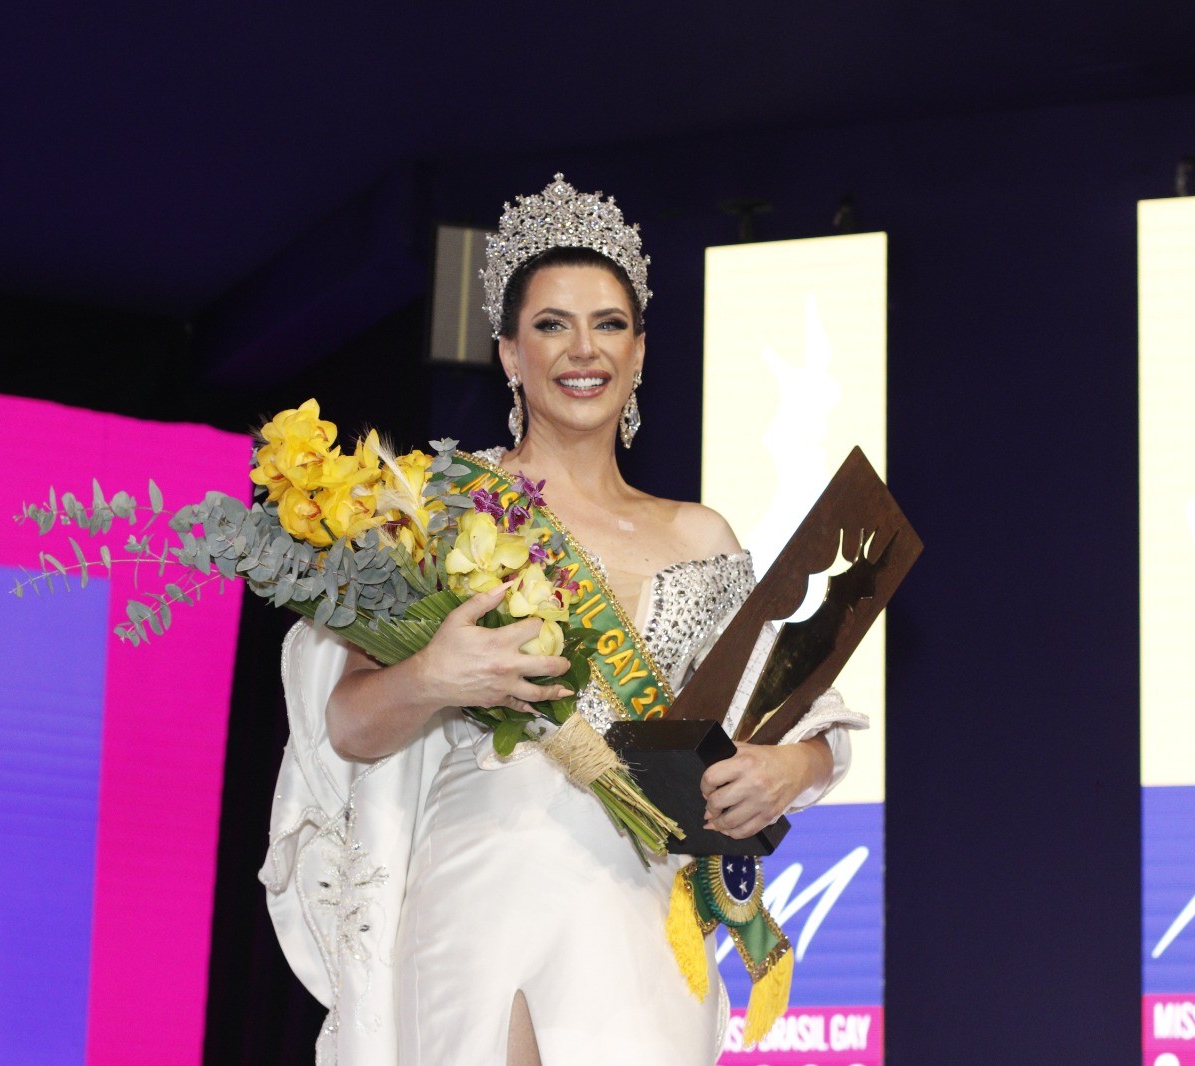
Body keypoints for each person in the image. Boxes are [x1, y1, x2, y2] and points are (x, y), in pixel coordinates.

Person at [262, 175, 867, 1066]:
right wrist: (436, 675)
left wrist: (785, 769)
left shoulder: (698, 536)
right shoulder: (432, 505)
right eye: (552, 324)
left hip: (643, 906)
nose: (582, 350)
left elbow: (803, 718)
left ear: (640, 350)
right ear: (509, 353)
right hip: (483, 885)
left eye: (609, 323)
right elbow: (348, 726)